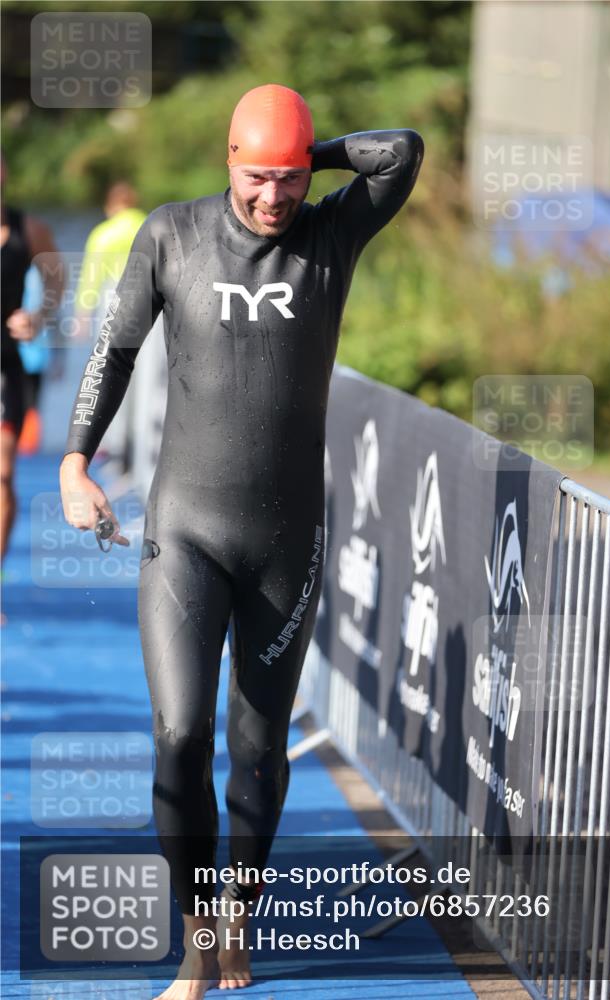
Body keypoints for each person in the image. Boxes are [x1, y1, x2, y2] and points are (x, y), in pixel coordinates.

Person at [60, 83, 423, 997]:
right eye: (259, 177)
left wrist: (312, 153)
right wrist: (74, 462)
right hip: (184, 529)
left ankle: (237, 923)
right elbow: (112, 351)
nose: (274, 198)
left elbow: (403, 149)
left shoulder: (329, 237)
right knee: (180, 731)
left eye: (290, 180)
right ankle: (193, 940)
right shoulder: (171, 235)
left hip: (285, 543)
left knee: (256, 749)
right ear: (228, 162)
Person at [1, 155, 64, 573]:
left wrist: (38, 316)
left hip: (7, 367)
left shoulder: (29, 229)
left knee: (2, 472)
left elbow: (56, 276)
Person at [73, 181, 147, 464]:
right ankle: (141, 441)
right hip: (148, 303)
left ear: (110, 205)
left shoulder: (103, 233)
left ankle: (112, 442)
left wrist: (82, 315)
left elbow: (91, 277)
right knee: (144, 377)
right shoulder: (146, 224)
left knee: (110, 369)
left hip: (113, 300)